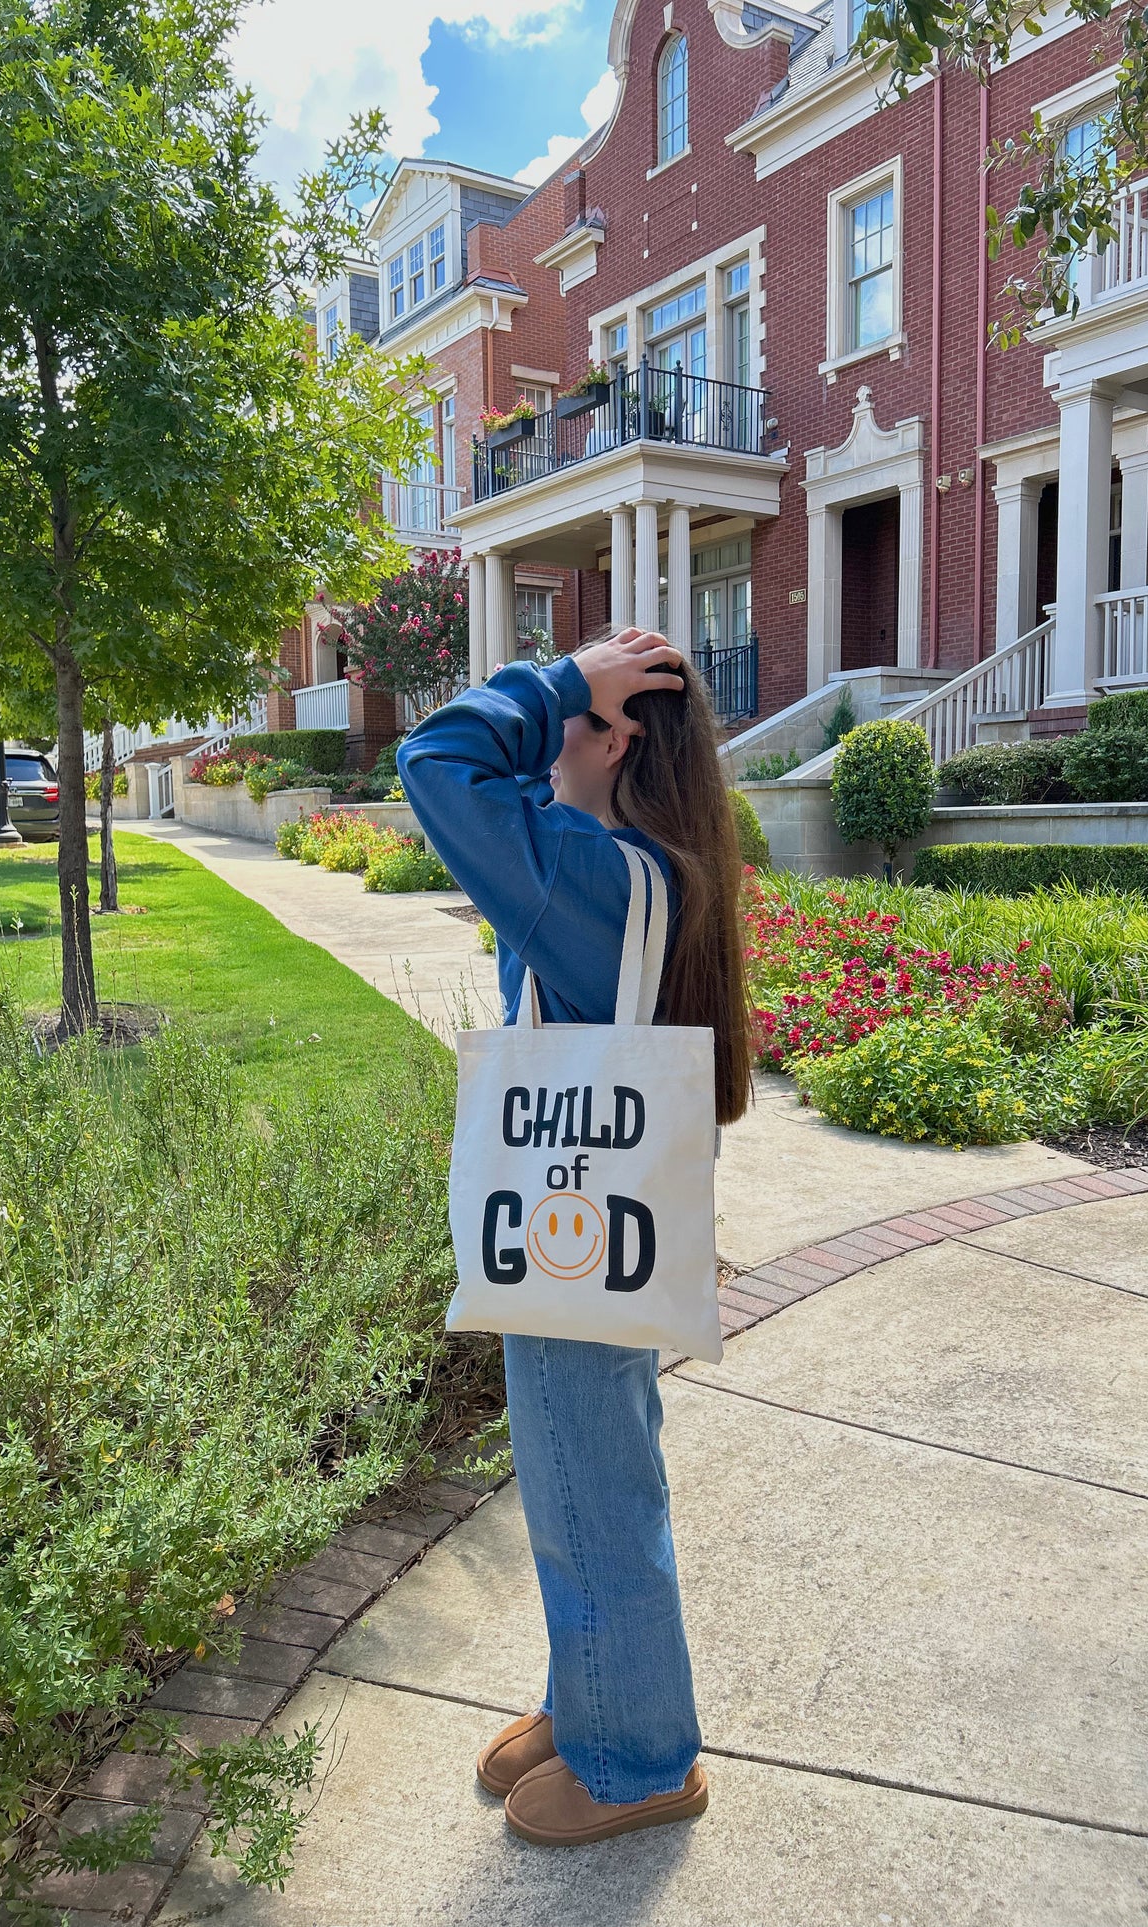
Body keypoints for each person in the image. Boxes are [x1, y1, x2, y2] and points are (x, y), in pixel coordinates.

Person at [396, 626, 752, 1848]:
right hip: (601, 1226)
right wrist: (572, 697)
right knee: (583, 1474)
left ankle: (639, 1757)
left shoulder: (589, 868)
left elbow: (436, 760)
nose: (545, 731)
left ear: (614, 736)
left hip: (572, 1235)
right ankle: (595, 1698)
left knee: (587, 1485)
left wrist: (559, 685)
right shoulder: (641, 864)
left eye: (573, 716)